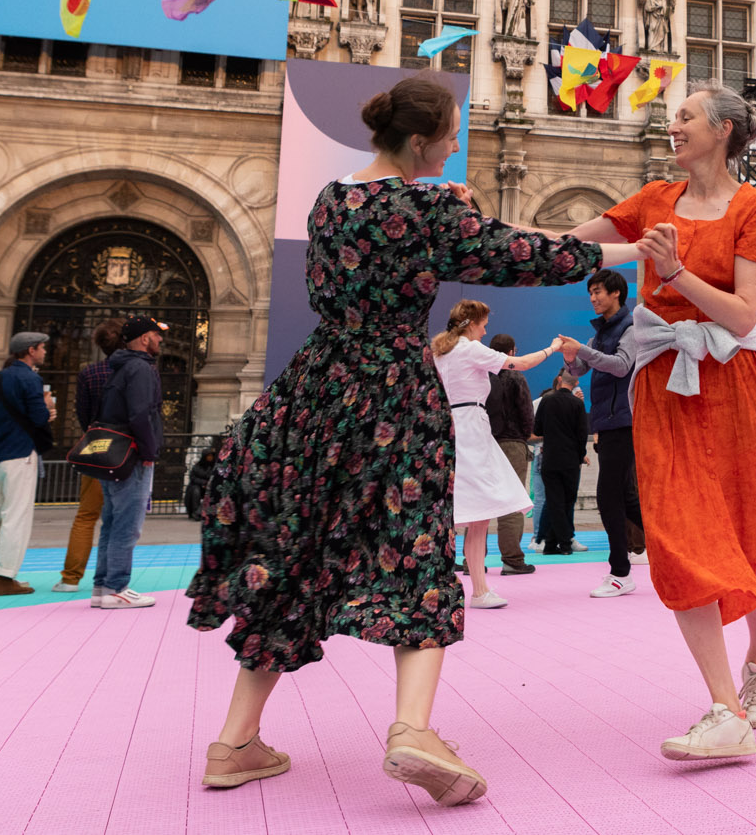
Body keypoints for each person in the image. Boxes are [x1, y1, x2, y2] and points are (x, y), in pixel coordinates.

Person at [188, 76, 624, 802]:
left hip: (319, 387)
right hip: (393, 386)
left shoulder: (331, 199)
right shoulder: (426, 207)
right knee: (416, 538)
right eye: (453, 134)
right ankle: (412, 728)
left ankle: (233, 743)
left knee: (296, 550)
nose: (457, 146)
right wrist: (619, 243)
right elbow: (518, 253)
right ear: (421, 141)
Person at [537, 83, 756, 760]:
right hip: (666, 387)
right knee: (681, 532)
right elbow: (569, 241)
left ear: (721, 130)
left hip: (735, 382)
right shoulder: (654, 199)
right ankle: (724, 708)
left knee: (747, 525)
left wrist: (674, 270)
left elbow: (745, 315)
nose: (673, 123)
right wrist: (482, 231)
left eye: (685, 115)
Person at [432, 300, 559, 609]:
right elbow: (523, 363)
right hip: (471, 433)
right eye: (484, 324)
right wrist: (553, 348)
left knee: (467, 516)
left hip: (449, 430)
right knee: (479, 516)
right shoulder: (469, 349)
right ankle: (478, 590)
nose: (486, 329)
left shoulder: (441, 353)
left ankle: (474, 588)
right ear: (472, 322)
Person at [554, 268, 643, 596]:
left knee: (609, 496)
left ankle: (621, 571)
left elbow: (621, 365)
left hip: (625, 420)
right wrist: (570, 360)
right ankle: (673, 549)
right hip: (606, 423)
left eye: (598, 292)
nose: (593, 298)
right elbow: (581, 369)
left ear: (616, 293)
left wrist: (583, 351)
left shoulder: (631, 327)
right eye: (590, 293)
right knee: (626, 498)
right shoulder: (599, 333)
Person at [0, 332, 54, 597]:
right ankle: (5, 577)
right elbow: (39, 418)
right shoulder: (30, 378)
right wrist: (48, 406)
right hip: (19, 453)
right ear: (31, 350)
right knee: (15, 516)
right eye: (42, 348)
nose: (44, 352)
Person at [93, 315, 167, 610]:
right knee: (128, 523)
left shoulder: (120, 366)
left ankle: (103, 587)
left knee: (112, 521)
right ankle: (117, 587)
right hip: (131, 454)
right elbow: (140, 414)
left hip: (114, 453)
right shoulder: (140, 368)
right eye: (156, 334)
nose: (161, 339)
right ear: (144, 338)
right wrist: (149, 452)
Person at [54, 318, 123, 594]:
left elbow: (82, 413)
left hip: (96, 446)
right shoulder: (134, 370)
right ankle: (112, 578)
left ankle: (71, 578)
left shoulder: (90, 372)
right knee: (119, 518)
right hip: (125, 449)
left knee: (86, 515)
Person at [482, 334, 539, 577]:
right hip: (512, 443)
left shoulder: (481, 376)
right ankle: (512, 559)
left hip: (484, 444)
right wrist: (524, 436)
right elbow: (527, 412)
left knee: (480, 504)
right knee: (512, 503)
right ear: (513, 352)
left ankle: (471, 560)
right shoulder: (515, 376)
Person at [532, 369, 590, 555]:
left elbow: (538, 428)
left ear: (559, 379)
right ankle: (564, 543)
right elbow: (582, 434)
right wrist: (581, 454)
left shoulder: (547, 400)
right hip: (570, 458)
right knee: (567, 501)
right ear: (576, 382)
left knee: (554, 500)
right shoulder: (577, 404)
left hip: (550, 456)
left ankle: (550, 543)